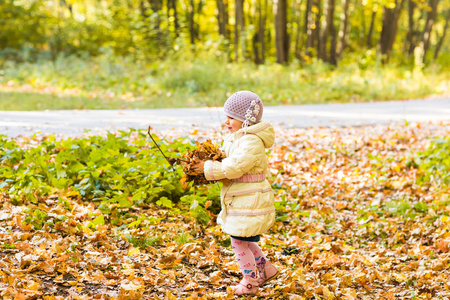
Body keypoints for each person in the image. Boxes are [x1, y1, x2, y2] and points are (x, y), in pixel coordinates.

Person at [191, 90, 279, 295]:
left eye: (231, 118)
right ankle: (265, 267)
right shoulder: (238, 138)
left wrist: (207, 168)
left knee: (238, 240)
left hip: (250, 197)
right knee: (243, 238)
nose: (226, 122)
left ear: (245, 120)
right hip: (242, 197)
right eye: (226, 117)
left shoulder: (251, 142)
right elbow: (229, 165)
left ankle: (250, 281)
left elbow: (234, 167)